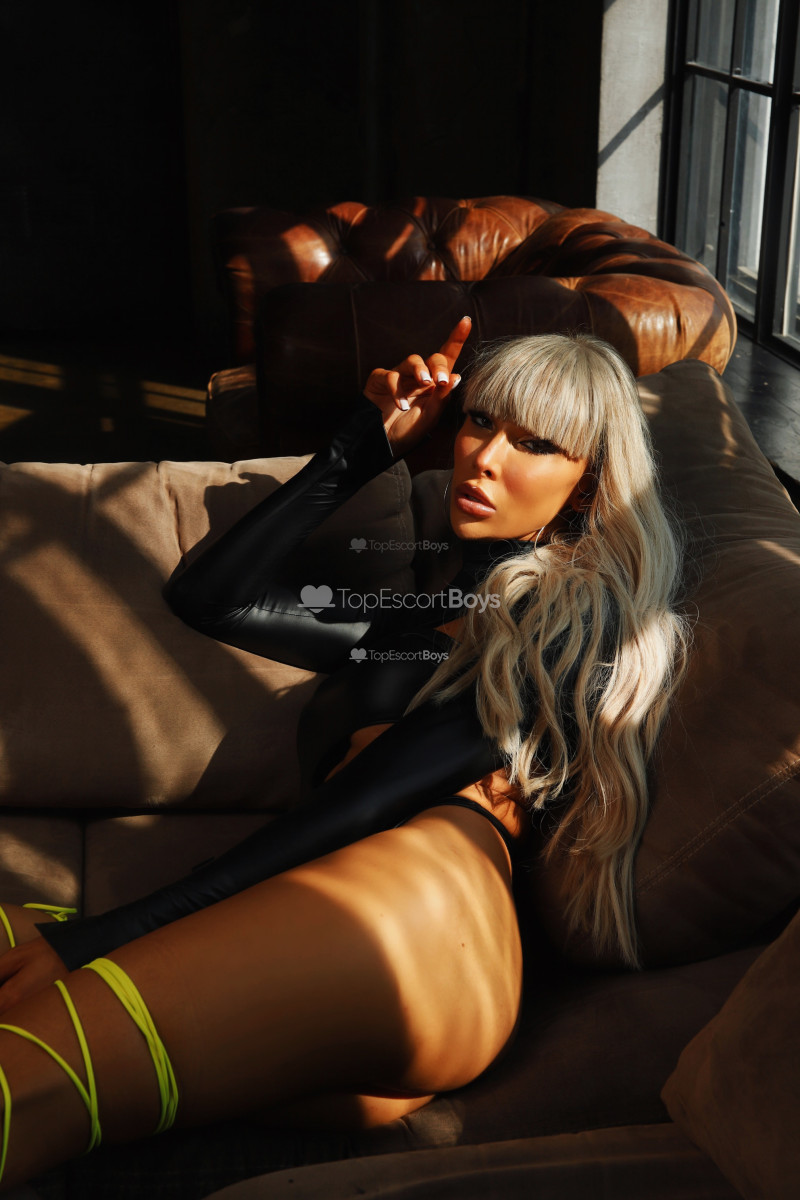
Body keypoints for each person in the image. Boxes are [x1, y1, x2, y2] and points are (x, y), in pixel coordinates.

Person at [0, 319, 689, 1190]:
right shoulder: (426, 619)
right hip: (359, 943)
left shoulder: (569, 616)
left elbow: (362, 801)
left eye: (534, 444)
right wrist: (361, 446)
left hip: (421, 914)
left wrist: (108, 934)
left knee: (24, 1073)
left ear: (587, 485)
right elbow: (215, 597)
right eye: (480, 422)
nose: (484, 458)